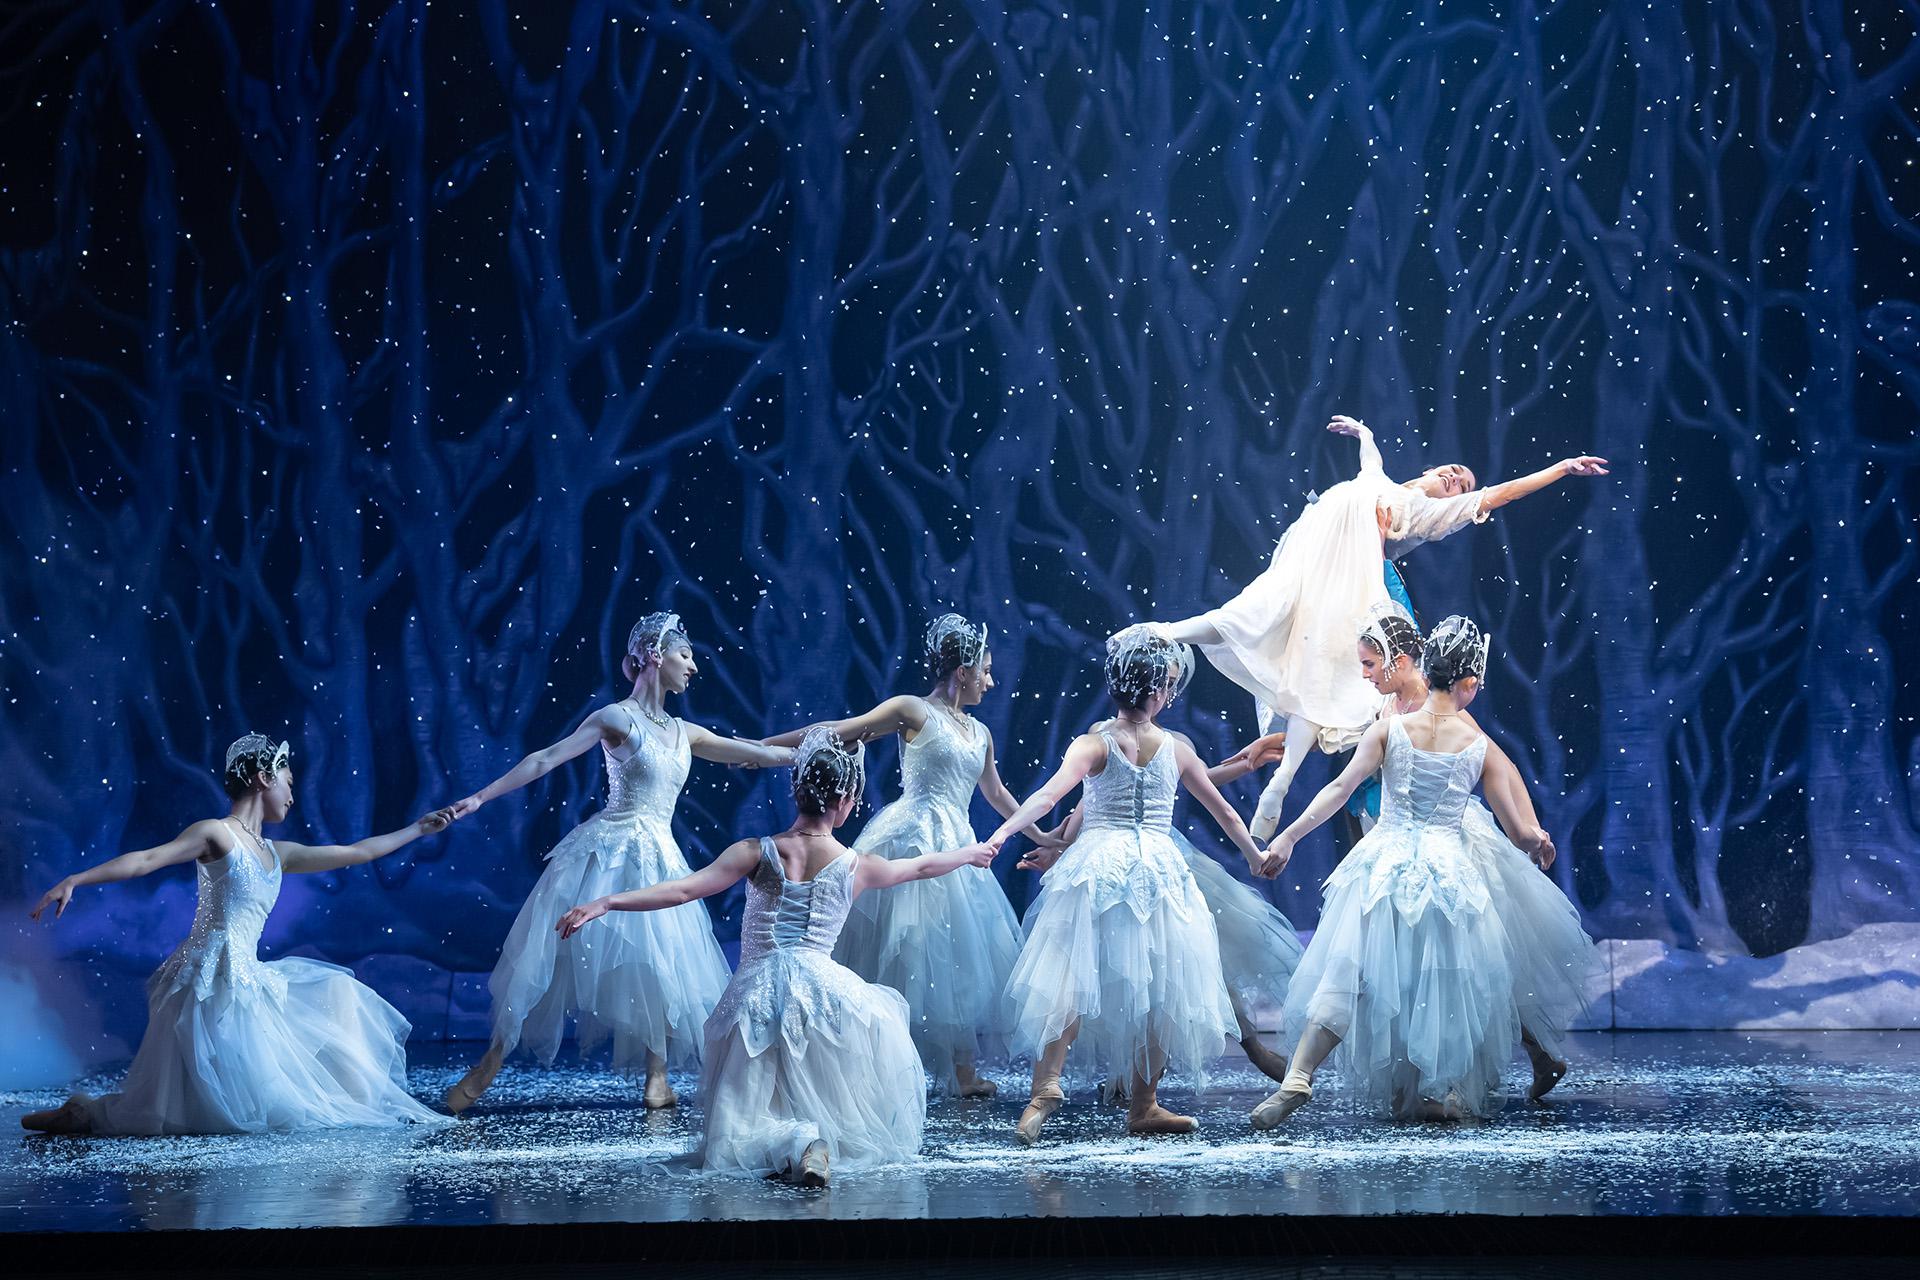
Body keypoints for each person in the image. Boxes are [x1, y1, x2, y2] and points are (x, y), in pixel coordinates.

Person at [556, 728, 998, 1187]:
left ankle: (799, 1143)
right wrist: (969, 853)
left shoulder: (756, 851)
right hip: (824, 993)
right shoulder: (857, 864)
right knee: (817, 1091)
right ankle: (811, 1141)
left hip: (758, 993)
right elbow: (923, 865)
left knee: (740, 1124)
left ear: (800, 792)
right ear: (844, 800)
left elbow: (684, 890)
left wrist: (605, 902)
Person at [1147, 415, 1608, 839]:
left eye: (1461, 485)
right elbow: (1372, 457)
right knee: (1261, 619)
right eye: (1452, 470)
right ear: (1431, 466)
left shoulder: (1423, 513)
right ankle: (1170, 635)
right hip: (1311, 576)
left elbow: (1498, 494)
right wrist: (1363, 432)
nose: (1455, 478)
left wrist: (1561, 469)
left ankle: (1288, 780)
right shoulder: (1378, 481)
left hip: (1356, 594)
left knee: (1333, 680)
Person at [441, 612, 793, 1114]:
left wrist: (826, 746)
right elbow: (545, 758)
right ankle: (486, 1068)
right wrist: (478, 798)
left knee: (661, 963)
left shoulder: (684, 731)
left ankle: (657, 1077)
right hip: (605, 852)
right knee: (546, 958)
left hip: (658, 855)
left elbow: (756, 753)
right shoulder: (616, 718)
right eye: (685, 655)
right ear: (655, 655)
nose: (694, 666)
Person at [23, 734, 453, 1135]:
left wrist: (417, 829)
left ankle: (83, 1115)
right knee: (188, 1105)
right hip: (205, 979)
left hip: (246, 978)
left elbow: (355, 852)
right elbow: (148, 859)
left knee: (335, 995)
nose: (292, 793)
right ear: (263, 778)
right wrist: (76, 879)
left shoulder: (276, 853)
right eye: (287, 782)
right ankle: (84, 1115)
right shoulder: (216, 832)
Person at [1250, 618, 1583, 1126]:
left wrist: (1289, 836)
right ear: (1469, 683)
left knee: (1350, 970)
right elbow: (1517, 830)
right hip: (1448, 876)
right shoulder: (1478, 746)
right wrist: (1538, 842)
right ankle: (1433, 1087)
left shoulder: (1390, 729)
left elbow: (1339, 790)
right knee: (1443, 983)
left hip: (1384, 864)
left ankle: (1299, 1073)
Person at [978, 626, 1284, 1144]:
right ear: (1159, 691)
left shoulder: (1095, 743)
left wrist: (1000, 835)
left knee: (1072, 975)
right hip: (1159, 873)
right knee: (1159, 985)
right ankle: (1142, 1101)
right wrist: (1256, 855)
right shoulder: (1176, 748)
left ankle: (1047, 1088)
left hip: (1101, 868)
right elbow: (1226, 813)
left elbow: (1051, 797)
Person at [759, 615, 1049, 1095]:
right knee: (903, 945)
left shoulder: (980, 732)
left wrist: (1038, 834)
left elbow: (995, 791)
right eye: (987, 671)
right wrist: (766, 747)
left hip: (956, 840)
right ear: (963, 671)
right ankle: (877, 1062)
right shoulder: (914, 709)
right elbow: (840, 730)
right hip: (910, 833)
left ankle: (961, 1068)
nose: (991, 681)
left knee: (951, 952)